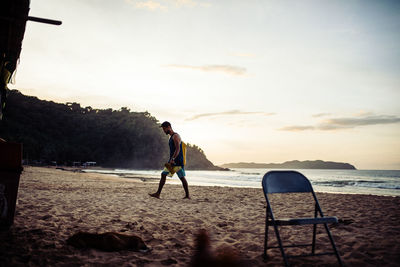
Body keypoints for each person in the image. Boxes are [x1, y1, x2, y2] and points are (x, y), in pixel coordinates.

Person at [149, 121, 190, 199]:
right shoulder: (171, 137)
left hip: (176, 161)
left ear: (169, 127)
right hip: (173, 160)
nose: (164, 131)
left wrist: (173, 159)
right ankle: (158, 193)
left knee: (180, 177)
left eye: (164, 129)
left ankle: (187, 195)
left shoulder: (175, 136)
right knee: (164, 174)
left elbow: (178, 149)